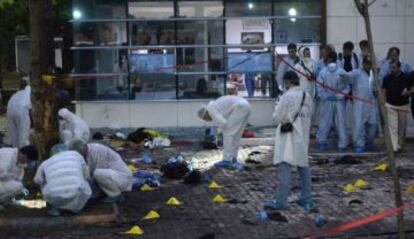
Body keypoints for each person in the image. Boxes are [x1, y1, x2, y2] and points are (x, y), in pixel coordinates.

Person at [264, 72, 314, 210]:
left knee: (284, 167)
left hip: (288, 137)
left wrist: (277, 107)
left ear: (286, 82)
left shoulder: (287, 96)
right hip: (303, 136)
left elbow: (277, 117)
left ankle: (281, 201)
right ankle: (306, 197)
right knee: (303, 166)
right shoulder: (307, 96)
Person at [69, 140, 133, 203]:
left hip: (122, 178)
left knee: (97, 174)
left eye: (79, 152)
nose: (79, 154)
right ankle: (110, 190)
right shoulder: (88, 151)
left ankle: (116, 195)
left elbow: (97, 171)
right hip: (113, 175)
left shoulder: (97, 150)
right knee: (96, 175)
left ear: (84, 147)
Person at [197, 95, 251, 169]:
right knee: (236, 136)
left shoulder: (211, 109)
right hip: (246, 106)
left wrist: (220, 131)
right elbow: (224, 121)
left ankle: (227, 160)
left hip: (239, 107)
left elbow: (223, 123)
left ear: (205, 114)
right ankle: (233, 159)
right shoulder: (215, 105)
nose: (207, 120)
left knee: (228, 134)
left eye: (205, 119)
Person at [34, 150, 92, 216]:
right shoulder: (76, 154)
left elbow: (37, 180)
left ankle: (53, 207)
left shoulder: (45, 162)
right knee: (84, 182)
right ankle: (76, 207)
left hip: (53, 194)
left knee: (42, 182)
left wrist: (46, 180)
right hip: (76, 191)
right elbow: (87, 176)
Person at [341, 57, 379, 153]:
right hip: (360, 104)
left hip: (372, 103)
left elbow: (377, 87)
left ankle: (368, 141)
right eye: (366, 63)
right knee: (358, 125)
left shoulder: (374, 74)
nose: (368, 65)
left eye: (370, 63)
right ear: (363, 64)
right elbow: (347, 76)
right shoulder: (357, 73)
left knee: (373, 124)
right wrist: (343, 75)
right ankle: (359, 144)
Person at [316, 51, 349, 151]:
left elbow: (319, 87)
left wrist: (326, 96)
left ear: (328, 59)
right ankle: (342, 144)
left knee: (324, 121)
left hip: (326, 101)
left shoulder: (323, 72)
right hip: (339, 101)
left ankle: (322, 142)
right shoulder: (342, 71)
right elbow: (347, 88)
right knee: (340, 122)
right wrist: (338, 96)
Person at [381, 60, 413, 152]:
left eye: (394, 68)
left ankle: (399, 144)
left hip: (403, 105)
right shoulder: (386, 78)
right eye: (390, 68)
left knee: (401, 128)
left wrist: (408, 92)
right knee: (393, 127)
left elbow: (412, 88)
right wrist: (383, 103)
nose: (392, 70)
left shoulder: (406, 77)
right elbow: (383, 90)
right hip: (390, 105)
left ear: (399, 68)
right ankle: (394, 148)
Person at [0, 146, 38, 210]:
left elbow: (16, 180)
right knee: (18, 186)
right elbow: (1, 173)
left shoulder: (18, 162)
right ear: (24, 157)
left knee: (18, 187)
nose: (27, 164)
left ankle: (6, 202)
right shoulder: (8, 155)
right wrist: (14, 178)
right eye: (28, 161)